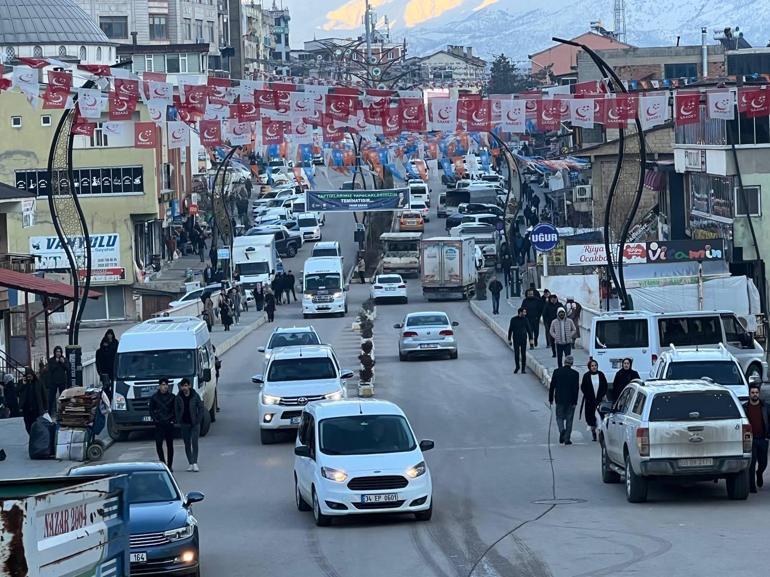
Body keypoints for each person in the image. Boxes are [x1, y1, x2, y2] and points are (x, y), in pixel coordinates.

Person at [744, 382, 769, 492]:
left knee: (763, 463)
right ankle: (751, 486)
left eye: (756, 393)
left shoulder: (765, 407)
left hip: (763, 438)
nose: (755, 394)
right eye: (752, 392)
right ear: (749, 394)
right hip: (751, 440)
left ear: (759, 394)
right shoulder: (744, 408)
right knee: (752, 462)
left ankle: (759, 473)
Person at [549, 355, 580, 445]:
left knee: (559, 417)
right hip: (571, 400)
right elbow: (576, 389)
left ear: (564, 362)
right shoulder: (575, 374)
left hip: (559, 399)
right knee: (569, 419)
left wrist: (550, 398)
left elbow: (552, 386)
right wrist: (575, 401)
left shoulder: (557, 372)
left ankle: (562, 430)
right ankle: (567, 439)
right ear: (572, 363)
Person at [174, 378, 203, 472]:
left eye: (186, 385)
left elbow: (201, 407)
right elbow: (176, 409)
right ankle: (190, 463)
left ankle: (195, 462)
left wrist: (198, 419)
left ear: (189, 386)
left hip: (194, 423)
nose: (185, 388)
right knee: (187, 443)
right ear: (181, 387)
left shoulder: (195, 396)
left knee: (195, 443)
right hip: (184, 424)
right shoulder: (178, 397)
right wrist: (178, 419)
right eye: (183, 386)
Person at [149, 377, 176, 471]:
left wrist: (173, 419)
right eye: (163, 385)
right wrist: (155, 419)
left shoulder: (172, 397)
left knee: (170, 445)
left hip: (169, 423)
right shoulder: (154, 397)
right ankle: (162, 463)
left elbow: (175, 409)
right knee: (159, 444)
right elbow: (151, 410)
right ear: (159, 386)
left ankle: (170, 465)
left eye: (166, 385)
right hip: (159, 424)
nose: (164, 387)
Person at [580, 360, 608, 442]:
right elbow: (583, 387)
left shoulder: (601, 375)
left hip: (599, 400)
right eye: (592, 366)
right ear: (589, 367)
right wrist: (588, 396)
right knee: (591, 417)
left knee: (599, 417)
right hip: (590, 401)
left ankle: (600, 433)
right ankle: (593, 432)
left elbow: (604, 386)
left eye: (595, 365)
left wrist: (602, 395)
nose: (594, 367)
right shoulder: (586, 376)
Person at [18, 367, 47, 434]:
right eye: (27, 376)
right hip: (26, 408)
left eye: (30, 376)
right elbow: (17, 391)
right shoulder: (22, 382)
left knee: (36, 424)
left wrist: (45, 407)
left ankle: (35, 436)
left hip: (36, 408)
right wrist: (23, 384)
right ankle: (30, 435)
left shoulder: (38, 382)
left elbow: (44, 394)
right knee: (28, 425)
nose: (29, 378)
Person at [508, 308, 533, 374]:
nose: (525, 313)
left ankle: (523, 369)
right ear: (520, 312)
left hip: (523, 339)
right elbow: (510, 329)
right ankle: (517, 366)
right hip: (516, 339)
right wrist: (509, 339)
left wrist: (531, 339)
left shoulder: (525, 319)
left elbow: (529, 329)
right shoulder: (513, 319)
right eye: (524, 312)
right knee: (516, 354)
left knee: (523, 354)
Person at [95, 329, 118, 396]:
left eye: (111, 334)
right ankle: (107, 397)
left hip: (113, 369)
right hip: (104, 370)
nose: (109, 336)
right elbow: (99, 359)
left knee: (114, 385)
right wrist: (99, 371)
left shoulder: (115, 343)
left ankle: (113, 396)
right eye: (108, 334)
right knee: (106, 386)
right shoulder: (103, 344)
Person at [47, 346, 68, 415]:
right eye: (57, 352)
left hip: (62, 381)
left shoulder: (64, 359)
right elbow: (50, 369)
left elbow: (68, 368)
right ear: (54, 352)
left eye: (59, 352)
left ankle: (63, 412)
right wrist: (56, 362)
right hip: (53, 382)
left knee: (63, 397)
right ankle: (50, 412)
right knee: (51, 398)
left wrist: (63, 362)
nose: (58, 353)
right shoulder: (51, 360)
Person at [542, 293, 562, 357]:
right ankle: (554, 352)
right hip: (550, 324)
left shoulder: (560, 305)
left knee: (559, 340)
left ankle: (559, 352)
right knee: (552, 339)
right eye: (552, 299)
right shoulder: (547, 305)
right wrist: (546, 322)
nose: (553, 300)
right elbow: (544, 314)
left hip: (559, 324)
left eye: (555, 299)